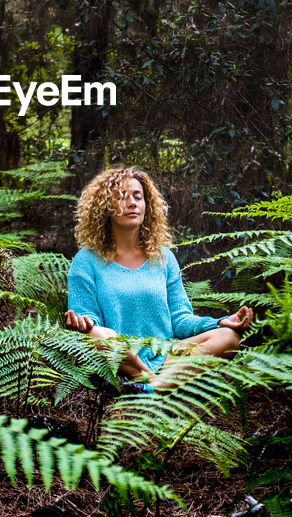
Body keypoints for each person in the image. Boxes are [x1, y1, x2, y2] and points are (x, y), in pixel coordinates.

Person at [63, 167, 254, 390]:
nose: (132, 203)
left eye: (138, 196)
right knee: (96, 336)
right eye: (122, 197)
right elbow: (87, 318)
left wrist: (218, 322)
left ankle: (152, 385)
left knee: (228, 338)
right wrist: (84, 322)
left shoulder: (163, 258)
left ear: (147, 205)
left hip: (166, 357)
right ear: (105, 206)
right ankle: (158, 384)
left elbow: (180, 319)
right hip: (119, 360)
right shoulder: (86, 260)